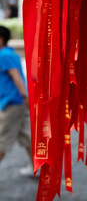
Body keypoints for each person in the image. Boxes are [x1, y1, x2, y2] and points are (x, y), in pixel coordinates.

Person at [0, 25, 33, 176]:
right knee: (26, 136)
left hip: (12, 103)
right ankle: (38, 167)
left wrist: (24, 96)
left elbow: (16, 77)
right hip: (18, 101)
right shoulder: (10, 54)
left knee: (2, 139)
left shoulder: (3, 56)